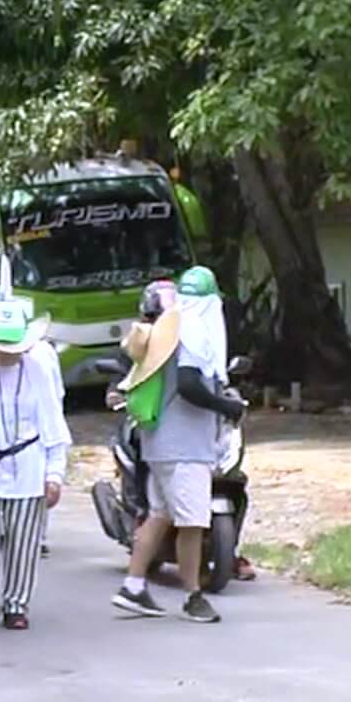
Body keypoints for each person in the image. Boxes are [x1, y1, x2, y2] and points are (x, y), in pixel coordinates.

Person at [110, 267, 245, 624]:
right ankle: (192, 596)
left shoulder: (169, 327)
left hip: (160, 442)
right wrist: (227, 407)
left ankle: (134, 585)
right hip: (185, 446)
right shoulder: (194, 331)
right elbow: (188, 384)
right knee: (191, 523)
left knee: (159, 514)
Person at [0, 301, 69, 631]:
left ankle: (16, 604)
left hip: (28, 464)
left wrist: (55, 473)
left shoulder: (37, 370)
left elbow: (53, 424)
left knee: (24, 538)